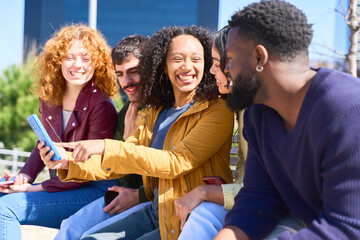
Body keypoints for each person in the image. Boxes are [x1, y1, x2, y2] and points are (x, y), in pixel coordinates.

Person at [40, 25, 234, 240]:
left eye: (196, 59)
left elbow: (175, 162)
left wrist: (105, 145)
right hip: (156, 211)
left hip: (186, 217)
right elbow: (126, 157)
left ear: (206, 64)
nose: (187, 67)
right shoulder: (155, 111)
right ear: (163, 65)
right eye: (178, 59)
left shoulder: (217, 110)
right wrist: (67, 162)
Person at [214, 0, 360, 239]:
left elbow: (348, 228)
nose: (226, 68)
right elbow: (259, 198)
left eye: (229, 58)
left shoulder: (347, 110)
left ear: (259, 58)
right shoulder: (257, 115)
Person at [0, 24, 119, 240]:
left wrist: (31, 189)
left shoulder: (102, 104)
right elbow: (43, 145)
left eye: (85, 58)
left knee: (4, 210)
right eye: (69, 57)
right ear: (57, 61)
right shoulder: (49, 98)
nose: (78, 65)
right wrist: (23, 177)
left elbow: (87, 168)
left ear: (97, 62)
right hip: (62, 185)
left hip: (93, 190)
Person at [55, 35, 152, 240]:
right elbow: (112, 165)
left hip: (149, 199)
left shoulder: (163, 109)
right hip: (120, 192)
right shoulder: (127, 110)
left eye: (134, 72)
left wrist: (138, 196)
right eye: (120, 74)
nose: (127, 81)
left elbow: (173, 165)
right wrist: (66, 162)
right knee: (70, 228)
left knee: (88, 236)